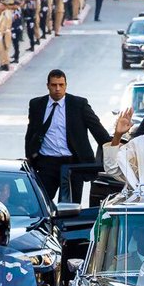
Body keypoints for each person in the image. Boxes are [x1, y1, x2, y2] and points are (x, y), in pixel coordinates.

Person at [24, 69, 112, 201]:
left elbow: (98, 131)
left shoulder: (78, 104)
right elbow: (31, 132)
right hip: (47, 164)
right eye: (54, 85)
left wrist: (115, 148)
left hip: (73, 165)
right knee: (41, 203)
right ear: (47, 85)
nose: (57, 89)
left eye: (61, 85)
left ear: (66, 85)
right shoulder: (37, 104)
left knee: (70, 208)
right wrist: (30, 156)